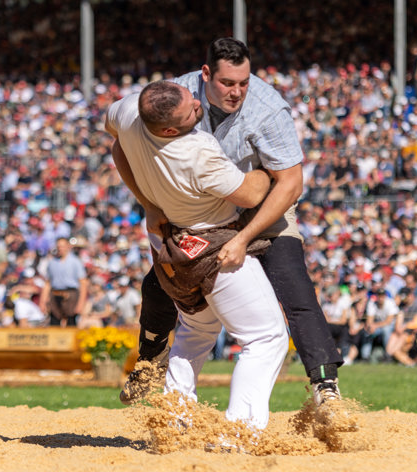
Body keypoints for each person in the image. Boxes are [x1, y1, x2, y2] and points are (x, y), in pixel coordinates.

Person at [123, 37, 343, 406]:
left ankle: (326, 387)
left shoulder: (268, 108)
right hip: (206, 211)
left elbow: (290, 184)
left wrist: (243, 238)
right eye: (227, 83)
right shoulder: (176, 95)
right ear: (205, 74)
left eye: (244, 82)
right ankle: (148, 365)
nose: (237, 92)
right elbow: (122, 142)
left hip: (263, 204)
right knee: (160, 283)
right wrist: (148, 203)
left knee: (293, 283)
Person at [105, 80, 289, 432]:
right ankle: (240, 433)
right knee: (265, 337)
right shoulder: (195, 150)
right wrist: (267, 168)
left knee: (196, 330)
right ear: (169, 129)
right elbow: (251, 195)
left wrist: (146, 202)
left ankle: (174, 422)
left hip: (166, 245)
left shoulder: (129, 110)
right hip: (209, 246)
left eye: (190, 96)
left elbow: (117, 146)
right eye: (190, 108)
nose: (196, 103)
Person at [39, 237, 88, 327]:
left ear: (68, 246)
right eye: (59, 246)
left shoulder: (75, 262)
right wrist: (43, 301)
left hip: (71, 294)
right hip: (55, 293)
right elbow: (47, 283)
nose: (60, 248)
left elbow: (83, 283)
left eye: (63, 246)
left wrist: (81, 303)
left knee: (71, 322)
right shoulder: (52, 262)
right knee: (54, 322)